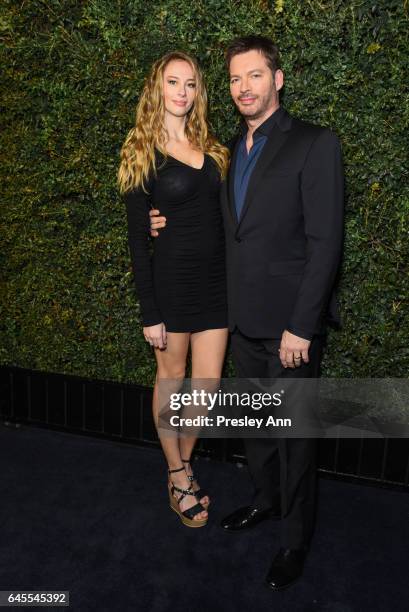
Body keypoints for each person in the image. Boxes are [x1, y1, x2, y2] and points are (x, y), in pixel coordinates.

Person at [149, 36, 344, 588]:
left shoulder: (314, 143)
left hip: (289, 330)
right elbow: (204, 219)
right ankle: (264, 501)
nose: (243, 88)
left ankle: (295, 539)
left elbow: (325, 243)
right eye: (234, 79)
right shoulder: (227, 150)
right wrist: (152, 221)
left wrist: (302, 326)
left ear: (277, 80)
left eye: (254, 76)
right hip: (237, 321)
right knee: (259, 429)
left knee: (295, 437)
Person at [118, 51, 230, 528]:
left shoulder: (211, 143)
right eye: (173, 82)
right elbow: (136, 240)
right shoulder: (143, 151)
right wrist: (149, 311)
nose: (182, 92)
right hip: (171, 283)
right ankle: (179, 474)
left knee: (205, 388)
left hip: (216, 283)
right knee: (172, 379)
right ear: (157, 88)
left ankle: (179, 463)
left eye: (190, 84)